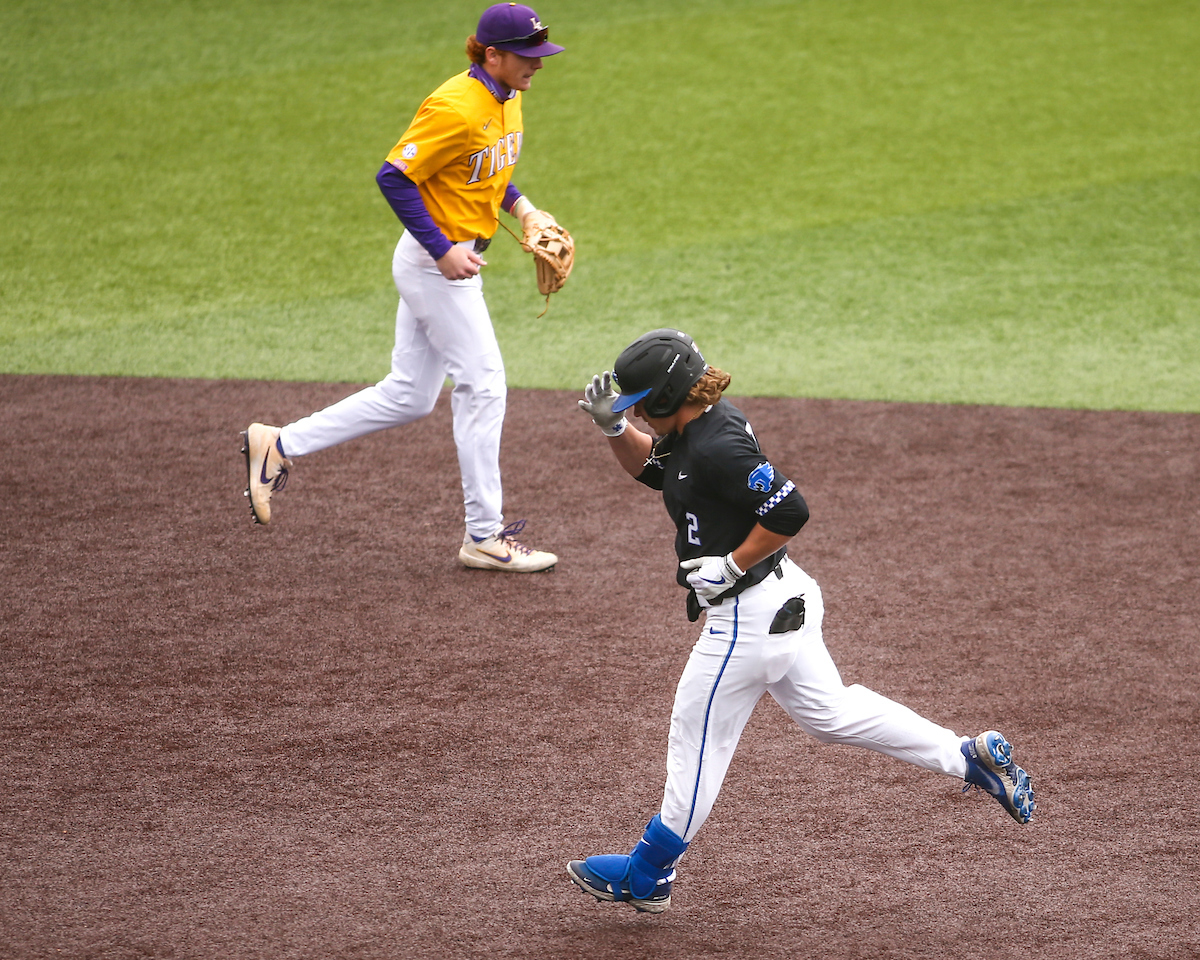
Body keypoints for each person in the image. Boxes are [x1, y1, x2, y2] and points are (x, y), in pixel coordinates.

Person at [568, 329, 1036, 914]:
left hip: (747, 619)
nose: (634, 409)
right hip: (784, 603)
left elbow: (792, 510)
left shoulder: (718, 446)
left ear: (667, 396)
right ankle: (969, 757)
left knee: (697, 739)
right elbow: (660, 474)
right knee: (831, 715)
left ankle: (646, 874)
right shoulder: (697, 432)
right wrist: (614, 430)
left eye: (638, 402)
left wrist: (732, 564)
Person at [241, 3, 564, 573]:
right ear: (492, 54)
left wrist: (526, 209)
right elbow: (394, 175)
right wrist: (442, 250)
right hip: (435, 264)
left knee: (410, 394)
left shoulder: (506, 97)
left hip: (450, 259)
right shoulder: (455, 105)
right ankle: (484, 536)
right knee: (484, 386)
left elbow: (490, 170)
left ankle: (278, 443)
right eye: (527, 55)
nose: (537, 65)